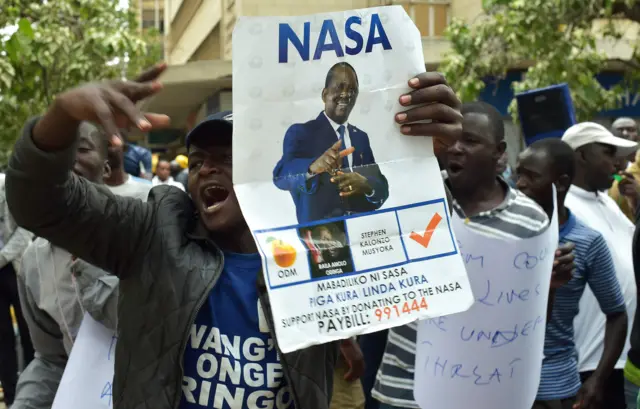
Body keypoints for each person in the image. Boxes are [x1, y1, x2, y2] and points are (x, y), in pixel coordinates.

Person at [5, 66, 463, 409]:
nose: (207, 168)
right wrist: (61, 118)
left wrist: (423, 158)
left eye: (229, 158)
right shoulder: (154, 230)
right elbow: (40, 204)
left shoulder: (321, 248)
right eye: (199, 159)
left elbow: (412, 242)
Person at [371, 101, 574, 409]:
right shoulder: (415, 199)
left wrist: (550, 284)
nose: (456, 148)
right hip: (401, 391)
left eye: (471, 140)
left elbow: (530, 321)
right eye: (450, 139)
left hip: (479, 394)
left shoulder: (530, 223)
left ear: (499, 152)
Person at [11, 121, 138, 409]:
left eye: (81, 149)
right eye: (57, 150)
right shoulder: (33, 260)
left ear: (105, 169)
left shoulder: (145, 233)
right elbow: (52, 359)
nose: (66, 160)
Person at [516, 138, 628, 409]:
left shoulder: (587, 242)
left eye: (531, 177)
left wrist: (598, 380)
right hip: (500, 384)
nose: (519, 184)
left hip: (558, 390)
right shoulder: (500, 232)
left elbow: (617, 314)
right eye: (519, 174)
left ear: (561, 183)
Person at [562, 122, 639, 409]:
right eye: (608, 152)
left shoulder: (607, 203)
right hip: (587, 364)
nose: (619, 162)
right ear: (581, 155)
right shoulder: (563, 208)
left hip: (620, 359)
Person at [273, 62, 389, 223]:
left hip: (361, 234)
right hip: (323, 239)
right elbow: (281, 176)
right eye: (339, 87)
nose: (346, 94)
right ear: (324, 94)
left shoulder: (361, 138)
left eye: (352, 90)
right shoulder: (301, 132)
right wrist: (313, 167)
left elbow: (381, 187)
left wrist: (366, 184)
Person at [0, 175, 34, 406]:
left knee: (30, 333)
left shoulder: (9, 184)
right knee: (2, 337)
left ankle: (34, 395)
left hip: (18, 266)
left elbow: (25, 228)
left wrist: (1, 257)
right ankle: (12, 398)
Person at [99, 123, 152, 201]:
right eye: (102, 144)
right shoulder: (88, 190)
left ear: (125, 148)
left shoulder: (146, 189)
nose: (107, 149)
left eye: (110, 144)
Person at [609, 118, 640, 222]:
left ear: (638, 136)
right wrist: (618, 178)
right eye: (620, 129)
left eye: (630, 129)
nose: (625, 133)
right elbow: (615, 177)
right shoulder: (605, 166)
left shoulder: (637, 168)